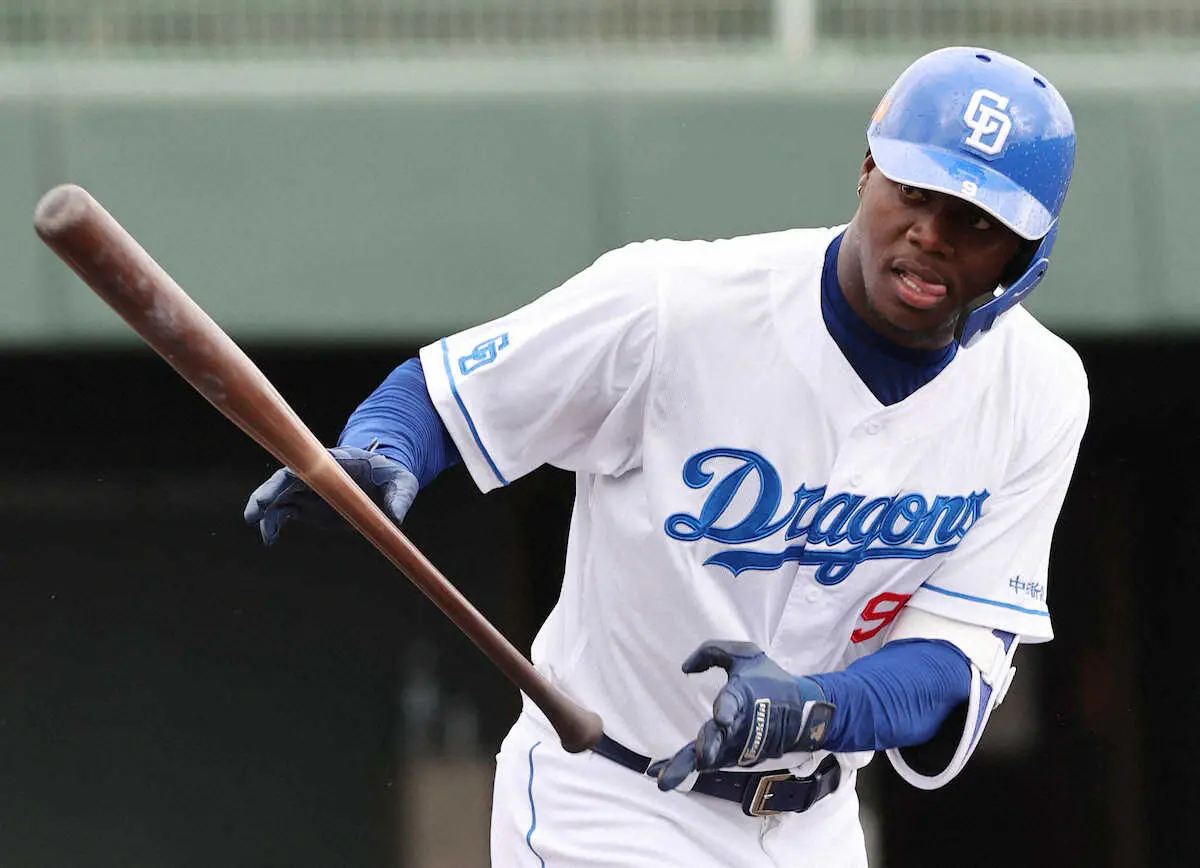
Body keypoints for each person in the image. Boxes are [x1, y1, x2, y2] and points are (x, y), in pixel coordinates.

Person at [245, 46, 1086, 868]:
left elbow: (949, 663)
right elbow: (442, 393)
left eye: (978, 221)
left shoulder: (1039, 391)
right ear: (868, 170)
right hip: (610, 796)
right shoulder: (676, 304)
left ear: (1026, 256)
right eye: (916, 191)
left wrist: (815, 710)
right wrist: (382, 451)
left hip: (816, 826)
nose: (932, 234)